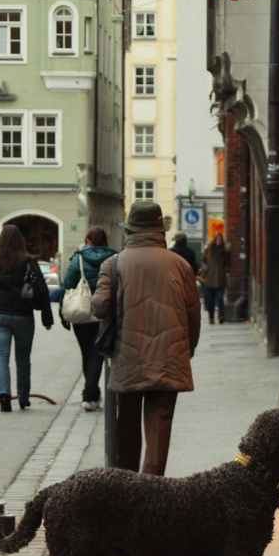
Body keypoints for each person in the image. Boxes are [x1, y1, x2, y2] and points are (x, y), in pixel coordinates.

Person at [91, 201, 200, 475]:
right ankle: (152, 487)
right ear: (160, 231)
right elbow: (193, 314)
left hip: (128, 357)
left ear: (129, 231)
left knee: (126, 424)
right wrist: (187, 349)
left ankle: (126, 486)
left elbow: (100, 306)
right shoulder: (181, 265)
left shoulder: (113, 263)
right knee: (160, 424)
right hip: (170, 356)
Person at [0, 224, 54, 411]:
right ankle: (23, 397)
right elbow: (42, 290)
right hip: (23, 315)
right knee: (23, 358)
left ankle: (4, 396)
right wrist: (47, 318)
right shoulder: (28, 262)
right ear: (20, 241)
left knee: (1, 356)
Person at [58, 226, 115, 412]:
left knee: (86, 353)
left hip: (81, 313)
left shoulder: (78, 258)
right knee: (97, 354)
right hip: (105, 313)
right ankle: (91, 394)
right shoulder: (115, 258)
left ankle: (90, 394)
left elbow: (67, 285)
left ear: (88, 240)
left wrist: (62, 312)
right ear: (105, 240)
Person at [199, 230, 229, 325]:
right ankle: (211, 317)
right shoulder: (209, 250)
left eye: (220, 240)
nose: (218, 241)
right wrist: (206, 268)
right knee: (210, 299)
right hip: (210, 278)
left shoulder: (225, 251)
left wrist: (225, 270)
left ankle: (221, 316)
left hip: (220, 278)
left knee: (220, 298)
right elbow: (202, 261)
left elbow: (229, 263)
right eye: (217, 240)